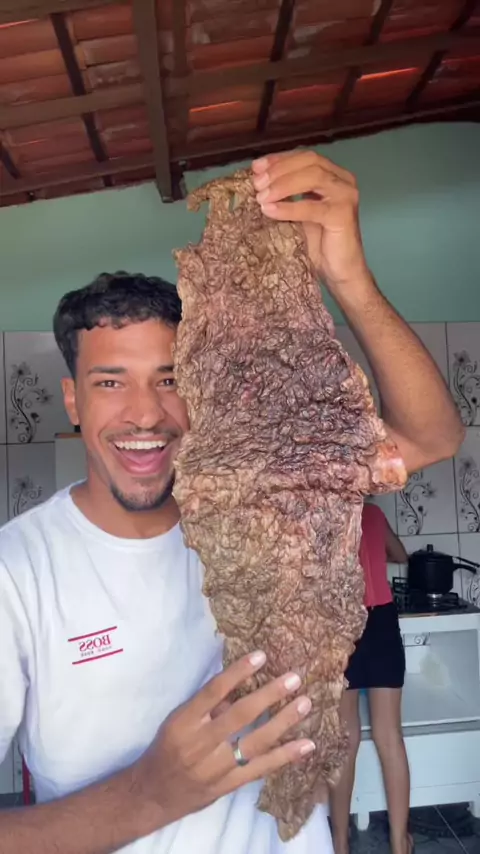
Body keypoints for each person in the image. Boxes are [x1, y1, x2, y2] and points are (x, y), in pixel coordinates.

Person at [0, 150, 463, 854]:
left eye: (170, 379)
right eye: (110, 383)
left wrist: (347, 275)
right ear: (72, 399)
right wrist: (151, 793)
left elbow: (434, 437)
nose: (145, 413)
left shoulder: (263, 497)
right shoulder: (17, 573)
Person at [329, 502, 411, 854]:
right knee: (389, 736)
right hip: (381, 621)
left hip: (341, 621)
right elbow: (401, 555)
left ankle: (340, 842)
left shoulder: (323, 511)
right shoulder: (373, 514)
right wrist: (375, 555)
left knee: (345, 739)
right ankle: (400, 842)